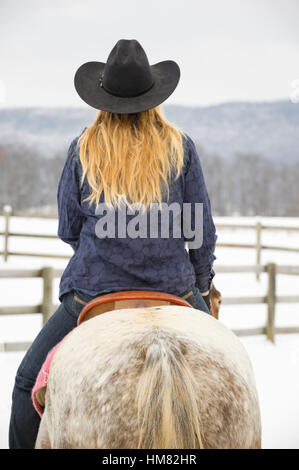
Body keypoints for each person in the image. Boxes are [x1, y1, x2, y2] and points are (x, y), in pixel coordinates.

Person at [9, 38, 217, 449]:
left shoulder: (84, 148)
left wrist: (106, 253)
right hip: (173, 288)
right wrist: (202, 285)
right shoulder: (181, 148)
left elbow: (69, 227)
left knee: (25, 384)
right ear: (154, 96)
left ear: (103, 99)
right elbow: (200, 232)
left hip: (93, 292)